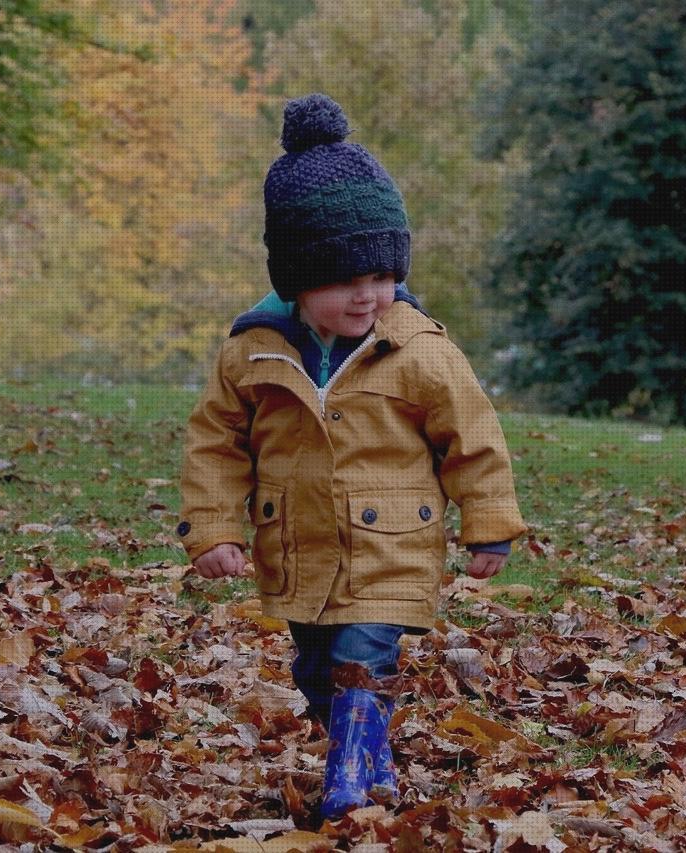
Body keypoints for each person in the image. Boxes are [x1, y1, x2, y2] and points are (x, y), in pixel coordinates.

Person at [177, 93, 527, 820]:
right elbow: (216, 443)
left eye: (381, 275)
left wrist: (488, 520)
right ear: (298, 279)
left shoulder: (418, 349)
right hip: (299, 550)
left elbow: (472, 432)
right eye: (345, 279)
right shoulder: (253, 352)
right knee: (314, 668)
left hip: (393, 543)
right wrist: (213, 529)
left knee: (362, 657)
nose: (368, 294)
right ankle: (371, 758)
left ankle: (346, 783)